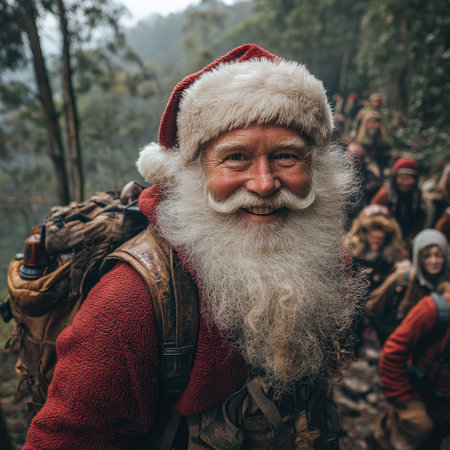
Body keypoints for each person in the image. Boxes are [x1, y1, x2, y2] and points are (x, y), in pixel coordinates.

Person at [24, 44, 363, 449]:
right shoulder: (130, 303)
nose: (264, 183)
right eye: (235, 157)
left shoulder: (323, 259)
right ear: (194, 173)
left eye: (286, 156)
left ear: (316, 167)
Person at [374, 288, 450, 449]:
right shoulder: (433, 309)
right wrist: (403, 398)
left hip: (443, 410)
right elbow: (391, 354)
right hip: (415, 395)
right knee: (413, 433)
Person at [367, 229, 448, 346]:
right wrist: (392, 338)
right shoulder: (402, 279)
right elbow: (372, 309)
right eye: (427, 256)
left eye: (438, 255)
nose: (433, 261)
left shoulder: (447, 285)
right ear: (418, 257)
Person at [371, 157, 429, 249]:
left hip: (408, 240)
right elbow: (370, 218)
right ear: (395, 179)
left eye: (409, 179)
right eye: (402, 179)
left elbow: (421, 221)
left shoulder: (419, 198)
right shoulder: (384, 194)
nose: (405, 183)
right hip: (385, 239)